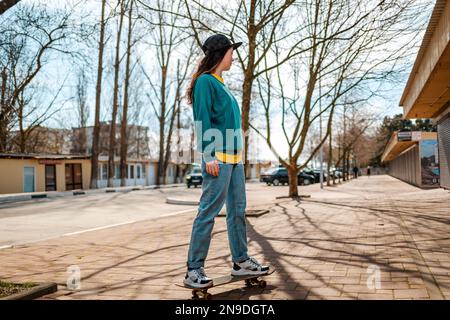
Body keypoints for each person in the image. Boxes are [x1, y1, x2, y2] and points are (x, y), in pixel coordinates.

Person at [183, 34, 269, 289]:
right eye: (232, 51)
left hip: (234, 160)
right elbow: (202, 121)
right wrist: (208, 155)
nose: (234, 56)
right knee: (207, 214)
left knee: (237, 213)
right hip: (218, 159)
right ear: (220, 54)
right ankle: (194, 269)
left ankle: (241, 261)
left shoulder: (221, 83)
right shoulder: (205, 82)